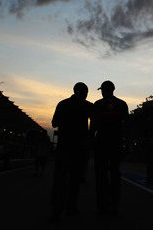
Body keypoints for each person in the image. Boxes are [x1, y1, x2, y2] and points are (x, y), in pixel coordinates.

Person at [50, 82, 93, 222]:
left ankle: (56, 210)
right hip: (79, 148)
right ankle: (71, 208)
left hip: (64, 146)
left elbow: (54, 123)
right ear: (85, 92)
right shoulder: (88, 106)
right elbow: (96, 121)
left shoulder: (62, 104)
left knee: (60, 179)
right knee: (75, 180)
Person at [90, 80, 129, 217]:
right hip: (116, 143)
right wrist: (125, 145)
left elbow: (93, 125)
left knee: (101, 175)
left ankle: (102, 205)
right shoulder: (122, 104)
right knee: (114, 174)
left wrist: (90, 141)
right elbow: (127, 126)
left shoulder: (98, 104)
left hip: (101, 143)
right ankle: (115, 205)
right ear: (113, 89)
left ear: (103, 90)